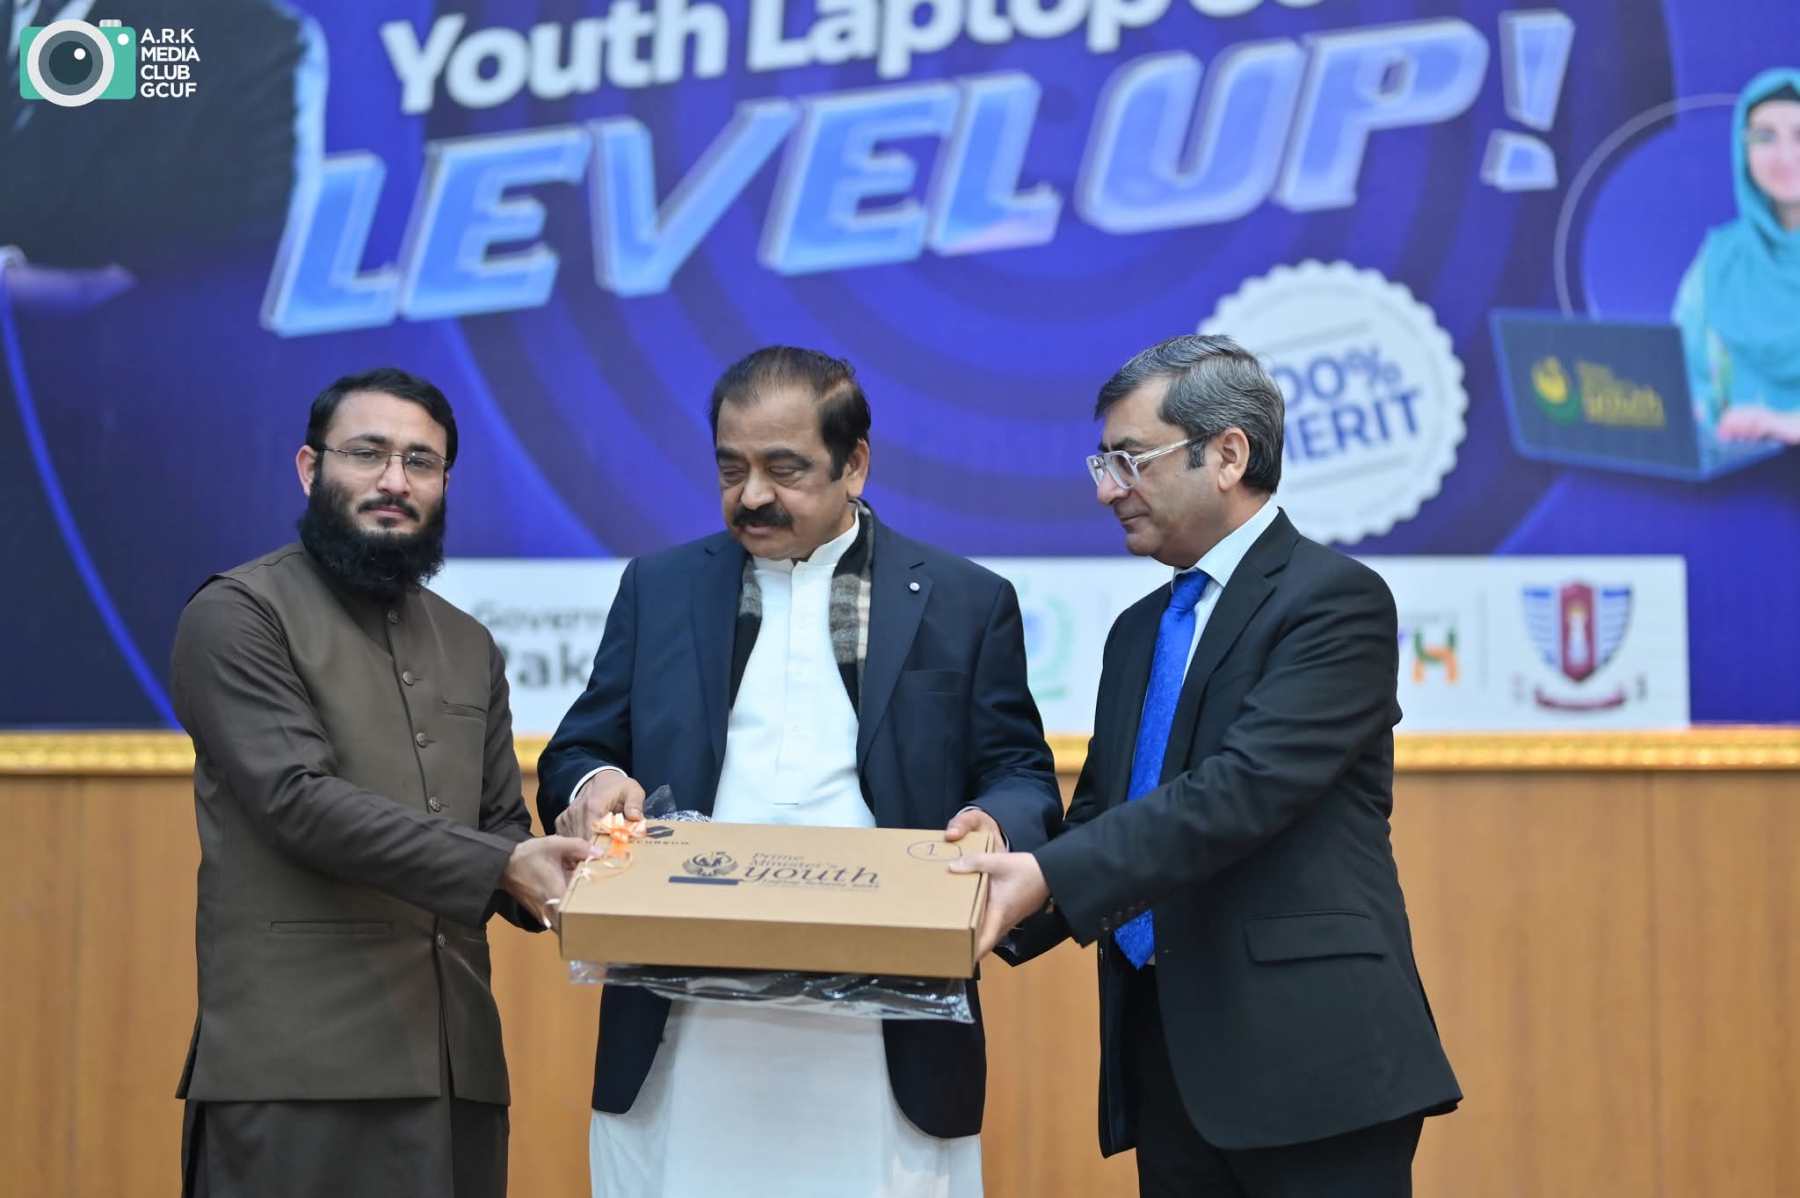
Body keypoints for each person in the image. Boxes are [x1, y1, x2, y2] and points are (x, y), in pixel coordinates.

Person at [537, 345, 1063, 1197]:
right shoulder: (659, 587)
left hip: (889, 1018)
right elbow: (578, 749)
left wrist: (995, 824)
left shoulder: (965, 599)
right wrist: (591, 783)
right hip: (684, 1011)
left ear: (854, 465)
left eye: (784, 470)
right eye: (730, 470)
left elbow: (1023, 776)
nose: (751, 496)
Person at [954, 335, 1460, 1197]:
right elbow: (1106, 815)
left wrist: (1043, 876)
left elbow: (1237, 794)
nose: (1108, 489)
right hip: (1171, 1063)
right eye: (1102, 464)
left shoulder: (1334, 601)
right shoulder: (1138, 632)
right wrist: (984, 878)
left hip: (1316, 1065)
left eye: (1130, 460)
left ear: (1227, 455)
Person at [169, 367, 599, 1198]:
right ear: (310, 468)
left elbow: (502, 831)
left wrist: (596, 862)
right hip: (296, 1076)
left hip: (457, 1076)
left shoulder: (470, 644)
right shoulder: (237, 614)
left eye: (420, 461)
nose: (395, 480)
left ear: (444, 485)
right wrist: (505, 865)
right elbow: (297, 802)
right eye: (367, 453)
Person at [1673, 67, 1800, 445]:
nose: (1785, 156)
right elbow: (1682, 368)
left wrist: (1780, 424)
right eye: (1764, 137)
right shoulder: (1721, 255)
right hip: (1734, 465)